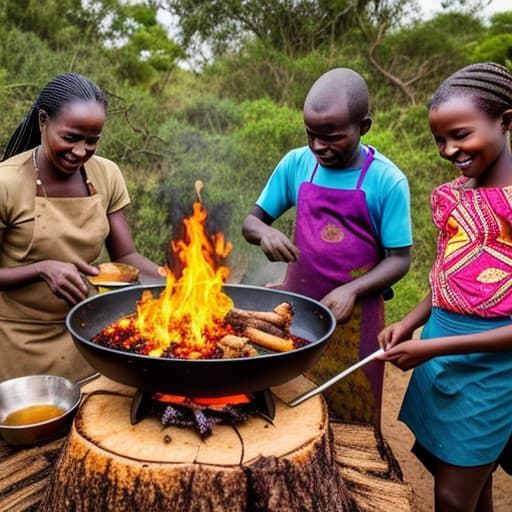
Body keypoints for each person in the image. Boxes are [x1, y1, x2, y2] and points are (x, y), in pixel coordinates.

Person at [242, 67, 412, 427]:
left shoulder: (387, 180)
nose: (319, 146)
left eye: (332, 136)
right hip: (296, 314)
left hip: (356, 321)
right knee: (288, 413)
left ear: (363, 126)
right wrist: (264, 234)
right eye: (311, 135)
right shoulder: (296, 164)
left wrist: (352, 289)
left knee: (352, 424)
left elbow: (400, 260)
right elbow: (251, 222)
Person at [378, 62, 512, 511]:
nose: (450, 149)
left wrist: (429, 350)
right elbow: (449, 280)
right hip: (439, 352)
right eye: (441, 139)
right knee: (465, 476)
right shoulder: (455, 196)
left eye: (461, 134)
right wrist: (410, 323)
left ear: (506, 122)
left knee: (454, 496)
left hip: (491, 370)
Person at [0, 73, 164, 383]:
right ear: (43, 120)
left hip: (86, 335)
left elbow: (126, 255)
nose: (80, 151)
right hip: (19, 347)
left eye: (92, 141)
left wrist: (169, 279)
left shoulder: (106, 174)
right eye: (70, 137)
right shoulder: (6, 183)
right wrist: (41, 269)